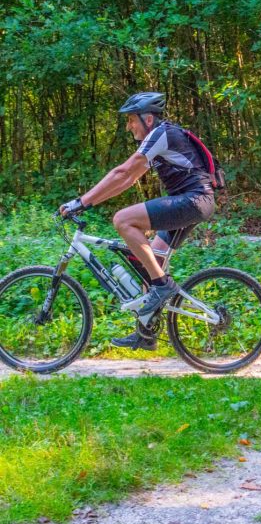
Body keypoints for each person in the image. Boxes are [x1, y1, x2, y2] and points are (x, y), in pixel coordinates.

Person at [60, 92, 215, 350]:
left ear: (149, 119)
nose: (128, 126)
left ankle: (163, 287)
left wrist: (80, 202)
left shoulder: (161, 134)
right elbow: (127, 179)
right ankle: (146, 334)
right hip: (195, 201)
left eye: (132, 119)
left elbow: (122, 171)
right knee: (150, 262)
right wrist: (89, 202)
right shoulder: (158, 138)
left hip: (193, 200)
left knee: (123, 220)